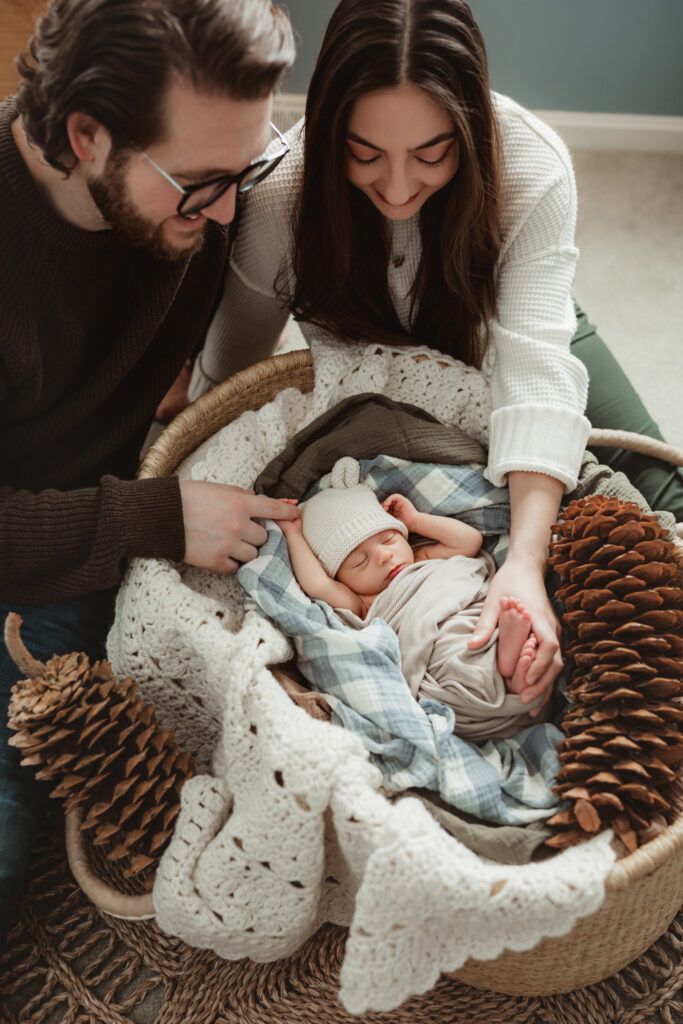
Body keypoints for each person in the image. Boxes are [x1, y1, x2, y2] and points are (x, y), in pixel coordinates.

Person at [185, 0, 683, 706]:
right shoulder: (278, 196)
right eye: (364, 154)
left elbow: (534, 370)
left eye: (430, 153)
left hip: (512, 340)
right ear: (331, 133)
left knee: (661, 503)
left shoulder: (531, 166)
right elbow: (233, 368)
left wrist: (524, 569)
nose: (395, 188)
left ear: (469, 132)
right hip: (383, 392)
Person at [0, 0, 301, 949]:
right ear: (86, 136)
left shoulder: (213, 190)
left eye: (244, 169)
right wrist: (153, 517)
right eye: (201, 183)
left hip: (80, 534)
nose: (226, 212)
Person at [276, 458, 547, 742]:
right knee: (455, 656)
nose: (383, 556)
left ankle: (507, 660)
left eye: (389, 539)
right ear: (341, 578)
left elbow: (469, 541)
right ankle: (508, 674)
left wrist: (416, 520)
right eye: (359, 562)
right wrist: (293, 533)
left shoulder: (421, 556)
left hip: (468, 610)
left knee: (491, 620)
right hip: (437, 648)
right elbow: (316, 584)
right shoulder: (361, 601)